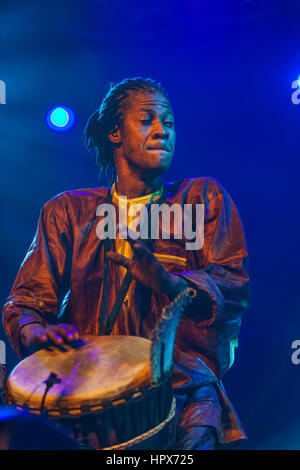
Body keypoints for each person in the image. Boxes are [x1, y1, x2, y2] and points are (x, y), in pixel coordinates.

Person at [2, 77, 251, 450]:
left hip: (180, 392)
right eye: (147, 119)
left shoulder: (201, 198)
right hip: (80, 396)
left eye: (168, 122)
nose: (161, 131)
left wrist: (169, 284)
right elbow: (25, 302)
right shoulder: (67, 211)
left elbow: (231, 286)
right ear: (115, 132)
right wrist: (34, 332)